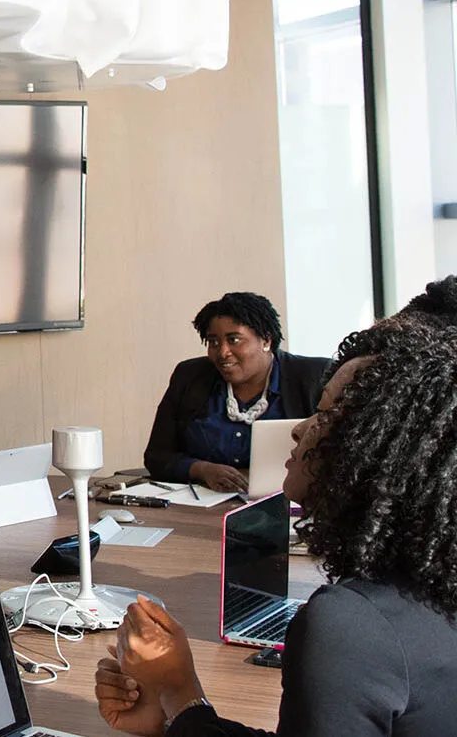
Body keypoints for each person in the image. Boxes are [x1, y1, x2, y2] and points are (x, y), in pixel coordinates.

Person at [95, 325, 457, 736]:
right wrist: (173, 719)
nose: (300, 429)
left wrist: (178, 690)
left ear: (382, 448)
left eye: (324, 415)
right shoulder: (431, 588)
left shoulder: (352, 625)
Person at [144, 292, 328, 492]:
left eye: (234, 340)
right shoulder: (189, 376)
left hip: (290, 503)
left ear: (266, 340)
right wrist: (203, 470)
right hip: (205, 505)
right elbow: (157, 457)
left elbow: (338, 457)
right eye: (213, 342)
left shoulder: (315, 377)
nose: (223, 352)